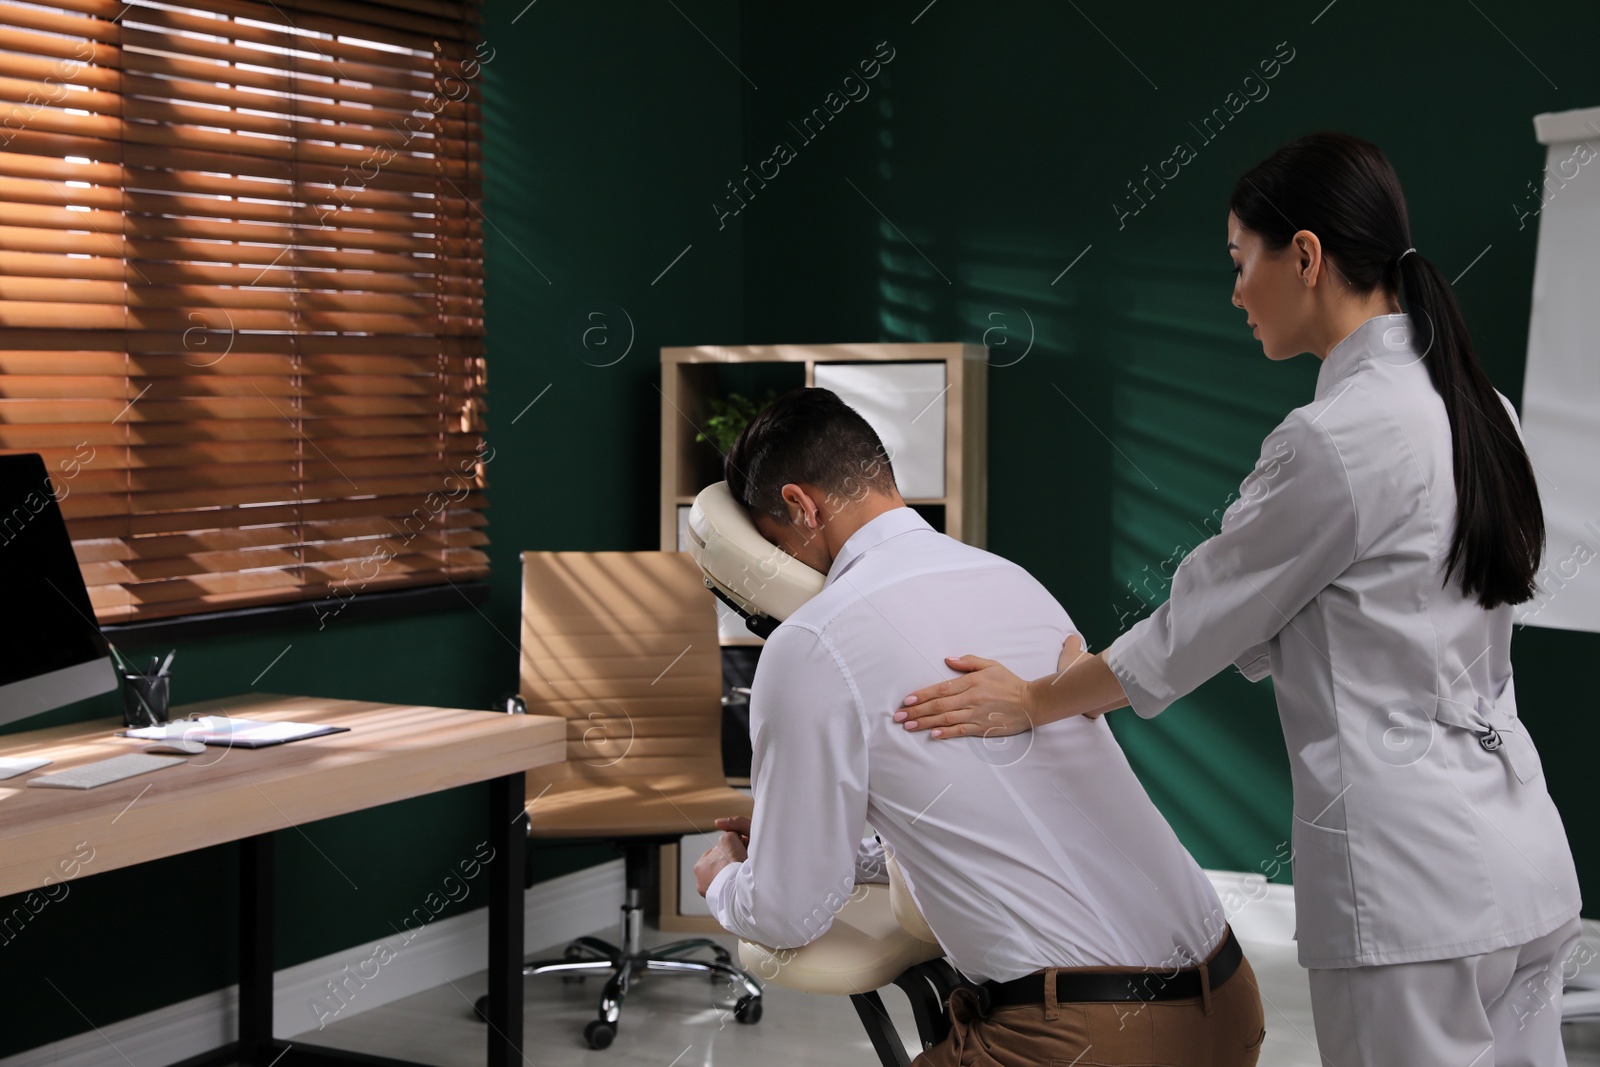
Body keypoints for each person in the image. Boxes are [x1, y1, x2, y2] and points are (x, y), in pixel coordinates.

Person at [893, 131, 1583, 1066]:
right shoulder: (1479, 404)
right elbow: (1323, 612)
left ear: (1304, 256)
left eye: (1238, 259)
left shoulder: (1332, 438)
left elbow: (1193, 627)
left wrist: (1034, 698)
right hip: (1527, 866)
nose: (1233, 290)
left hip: (1415, 891)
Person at [692, 388, 1266, 1067]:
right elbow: (987, 811)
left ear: (800, 506)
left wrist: (726, 877)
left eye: (775, 542)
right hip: (1230, 1003)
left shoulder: (811, 642)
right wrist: (815, 845)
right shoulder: (1014, 582)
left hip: (1084, 1038)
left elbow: (788, 913)